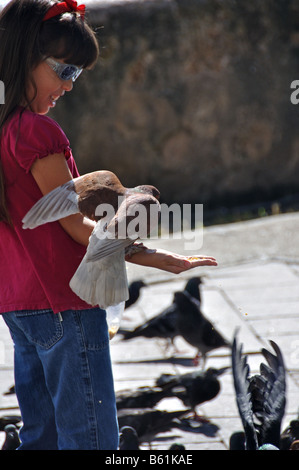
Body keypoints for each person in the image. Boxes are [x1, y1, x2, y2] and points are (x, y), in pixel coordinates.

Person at [0, 0, 217, 450]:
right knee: (92, 440)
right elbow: (77, 228)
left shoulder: (4, 131)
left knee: (41, 436)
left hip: (17, 305)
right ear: (22, 55)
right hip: (67, 301)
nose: (69, 85)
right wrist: (157, 257)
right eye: (64, 70)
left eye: (76, 74)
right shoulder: (39, 134)